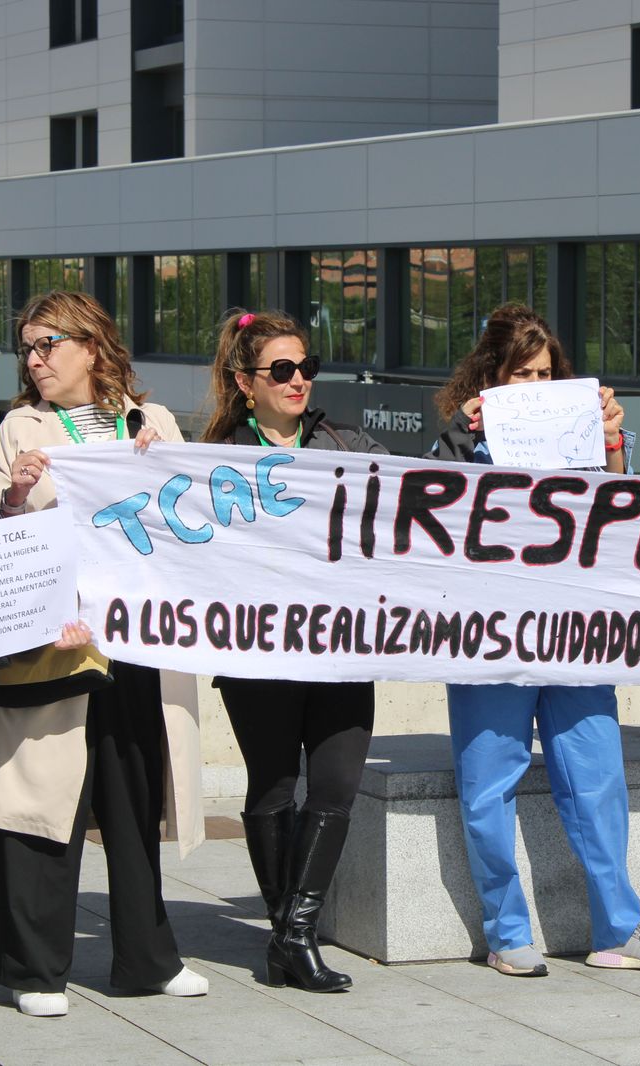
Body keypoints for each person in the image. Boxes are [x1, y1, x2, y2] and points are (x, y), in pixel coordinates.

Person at [0, 290, 209, 1017]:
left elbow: (194, 519)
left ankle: (147, 958)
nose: (36, 360)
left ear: (93, 346)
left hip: (135, 644)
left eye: (49, 344)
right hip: (52, 646)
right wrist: (15, 495)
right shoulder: (19, 427)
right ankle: (35, 970)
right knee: (42, 801)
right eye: (29, 348)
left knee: (133, 801)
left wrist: (161, 463)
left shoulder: (152, 421)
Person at [431, 303, 640, 976]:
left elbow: (628, 527)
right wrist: (462, 438)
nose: (536, 387)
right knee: (490, 785)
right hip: (487, 637)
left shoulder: (587, 440)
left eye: (546, 374)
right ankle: (506, 932)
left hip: (574, 634)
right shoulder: (461, 442)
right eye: (521, 375)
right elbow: (424, 515)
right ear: (492, 379)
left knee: (597, 779)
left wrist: (608, 445)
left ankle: (618, 929)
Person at [202, 308, 387, 992]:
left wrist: (466, 435)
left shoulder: (347, 439)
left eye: (306, 366)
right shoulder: (216, 456)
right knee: (275, 787)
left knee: (336, 787)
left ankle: (293, 936)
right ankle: (291, 938)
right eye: (281, 369)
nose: (298, 379)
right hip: (262, 653)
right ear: (246, 382)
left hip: (341, 647)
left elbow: (419, 506)